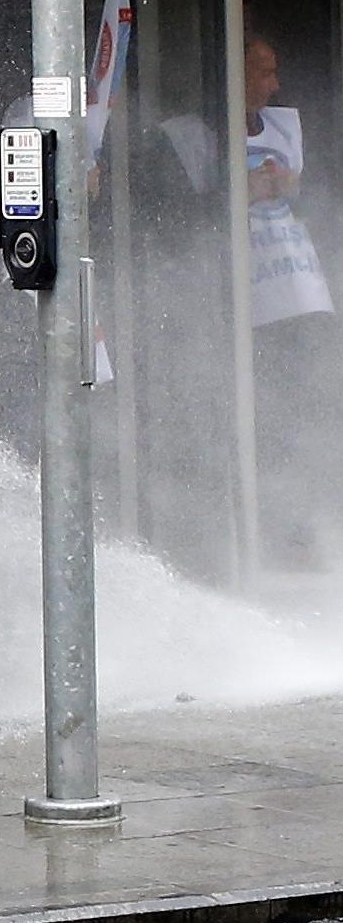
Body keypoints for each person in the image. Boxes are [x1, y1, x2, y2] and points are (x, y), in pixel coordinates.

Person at [161, 33, 335, 563]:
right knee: (251, 417)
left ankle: (299, 531)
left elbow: (315, 205)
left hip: (296, 298)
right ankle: (246, 537)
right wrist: (240, 193)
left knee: (300, 413)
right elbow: (171, 225)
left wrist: (291, 189)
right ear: (232, 76)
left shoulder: (284, 129)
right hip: (233, 305)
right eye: (264, 73)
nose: (274, 85)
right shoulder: (190, 138)